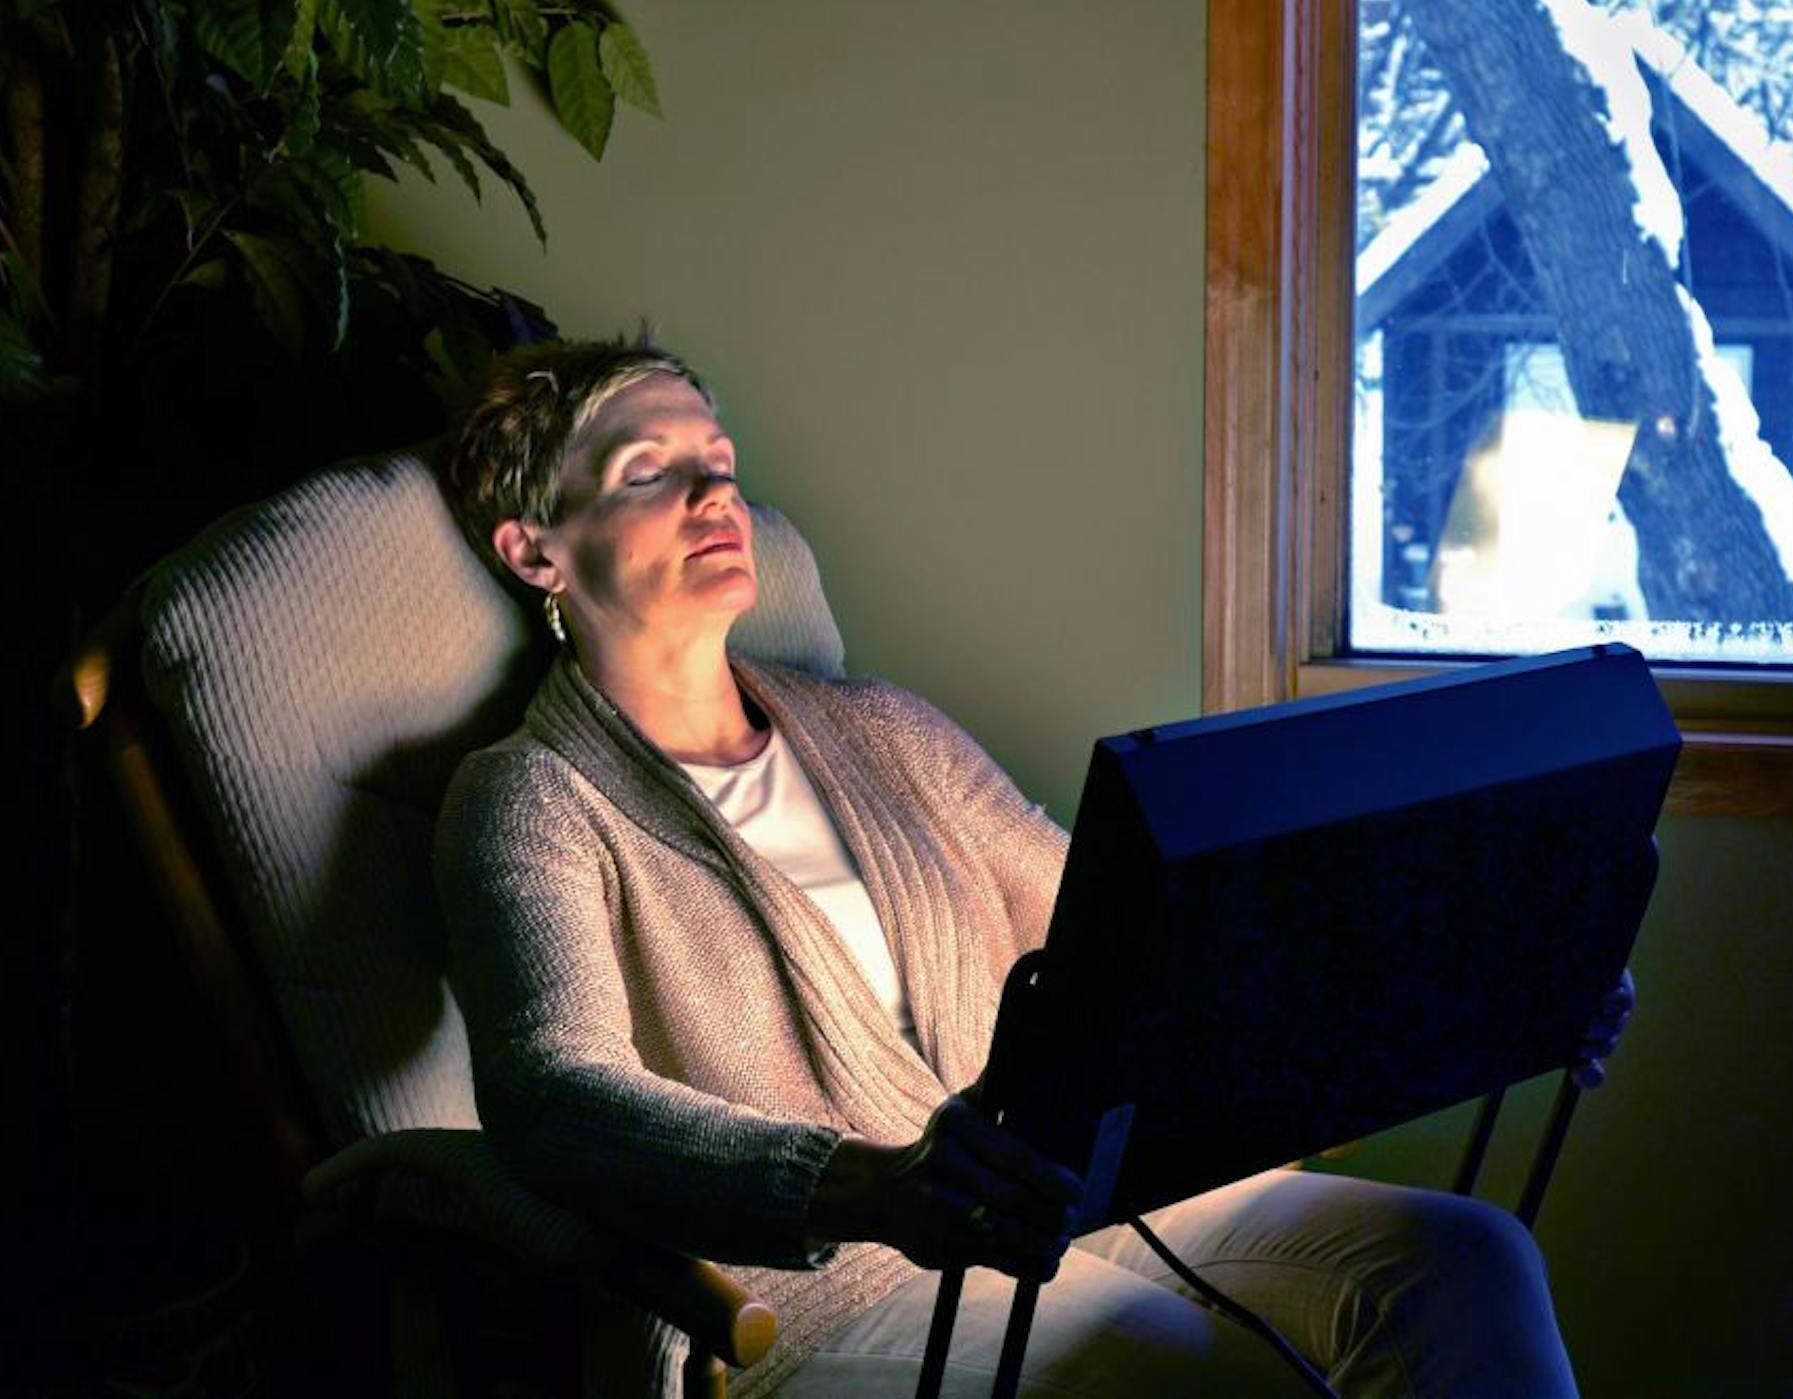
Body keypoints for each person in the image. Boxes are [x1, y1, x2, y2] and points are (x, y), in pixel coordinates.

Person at [434, 336, 1629, 1398]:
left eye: (724, 463)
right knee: (1190, 1367)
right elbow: (553, 1090)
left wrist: (1483, 978)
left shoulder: (884, 732)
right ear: (535, 549)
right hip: (825, 1296)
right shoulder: (531, 800)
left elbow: (1134, 928)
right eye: (653, 472)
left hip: (1059, 1211)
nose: (715, 494)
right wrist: (868, 1186)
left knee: (1464, 1259)